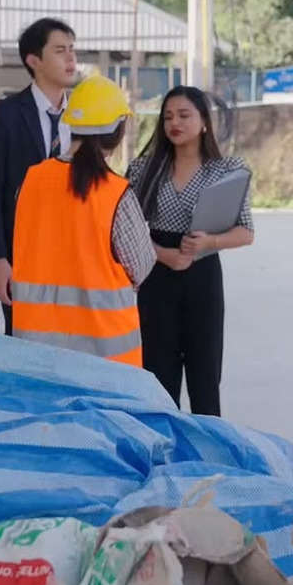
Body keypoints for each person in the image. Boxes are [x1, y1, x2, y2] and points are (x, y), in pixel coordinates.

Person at [8, 75, 157, 365]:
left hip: (37, 355)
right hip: (105, 360)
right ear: (118, 130)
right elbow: (141, 266)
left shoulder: (31, 181)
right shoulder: (115, 192)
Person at [126, 87, 255, 415]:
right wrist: (163, 254)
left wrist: (208, 243)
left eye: (184, 115)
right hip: (156, 276)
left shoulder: (227, 170)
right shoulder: (143, 169)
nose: (175, 123)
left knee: (205, 376)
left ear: (204, 122)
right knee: (157, 376)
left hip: (203, 277)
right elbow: (127, 229)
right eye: (168, 117)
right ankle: (161, 443)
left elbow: (245, 232)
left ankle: (207, 444)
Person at [0, 17, 81, 336]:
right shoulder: (5, 114)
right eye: (60, 51)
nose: (71, 58)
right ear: (34, 60)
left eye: (72, 49)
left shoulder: (83, 116)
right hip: (22, 253)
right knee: (23, 342)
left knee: (72, 342)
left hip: (74, 253)